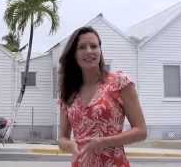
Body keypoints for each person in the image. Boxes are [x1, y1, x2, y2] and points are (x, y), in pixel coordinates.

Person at [57, 26, 147, 167]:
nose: (89, 51)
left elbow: (141, 131)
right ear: (74, 54)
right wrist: (70, 145)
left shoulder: (120, 83)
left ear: (100, 50)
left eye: (94, 46)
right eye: (81, 47)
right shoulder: (68, 92)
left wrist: (105, 142)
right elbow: (62, 138)